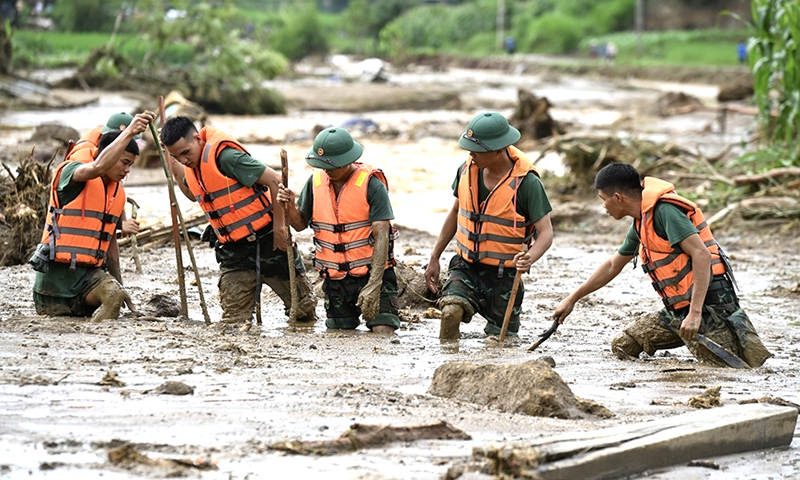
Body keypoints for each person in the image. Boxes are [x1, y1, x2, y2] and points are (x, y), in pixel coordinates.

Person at [553, 162, 771, 368]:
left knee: (725, 369)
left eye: (603, 199)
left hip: (709, 308)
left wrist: (694, 314)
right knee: (624, 345)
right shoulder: (641, 223)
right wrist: (572, 298)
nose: (604, 206)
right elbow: (612, 265)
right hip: (677, 311)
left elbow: (701, 255)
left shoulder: (665, 212)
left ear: (618, 197)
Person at [159, 116, 317, 325]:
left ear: (197, 139)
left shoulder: (226, 158)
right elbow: (190, 191)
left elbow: (275, 180)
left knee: (303, 311)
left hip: (269, 242)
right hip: (234, 251)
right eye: (177, 156)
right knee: (234, 321)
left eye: (185, 153)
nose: (184, 160)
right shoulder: (190, 163)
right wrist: (171, 161)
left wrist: (280, 228)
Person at [424, 111, 554, 339]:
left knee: (501, 343)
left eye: (477, 150)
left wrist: (530, 257)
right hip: (466, 266)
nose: (471, 155)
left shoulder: (527, 184)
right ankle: (448, 364)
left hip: (504, 276)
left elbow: (546, 233)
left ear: (497, 150)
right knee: (450, 312)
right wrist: (435, 256)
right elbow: (456, 212)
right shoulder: (466, 170)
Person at [29, 113, 152, 321]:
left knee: (114, 295)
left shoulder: (115, 193)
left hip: (88, 280)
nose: (127, 170)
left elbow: (110, 243)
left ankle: (98, 337)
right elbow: (97, 167)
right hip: (54, 288)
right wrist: (130, 132)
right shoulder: (72, 172)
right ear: (108, 154)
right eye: (123, 162)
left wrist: (118, 285)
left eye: (130, 165)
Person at [277, 127, 400, 334]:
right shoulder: (315, 182)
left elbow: (381, 236)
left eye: (331, 166)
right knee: (338, 334)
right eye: (322, 165)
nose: (326, 170)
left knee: (383, 330)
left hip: (372, 273)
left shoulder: (372, 184)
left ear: (346, 160)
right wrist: (289, 206)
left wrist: (374, 284)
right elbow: (299, 224)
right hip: (335, 280)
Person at [66, 112, 142, 285]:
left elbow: (112, 195)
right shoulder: (86, 156)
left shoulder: (118, 162)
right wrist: (121, 224)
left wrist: (121, 221)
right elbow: (97, 172)